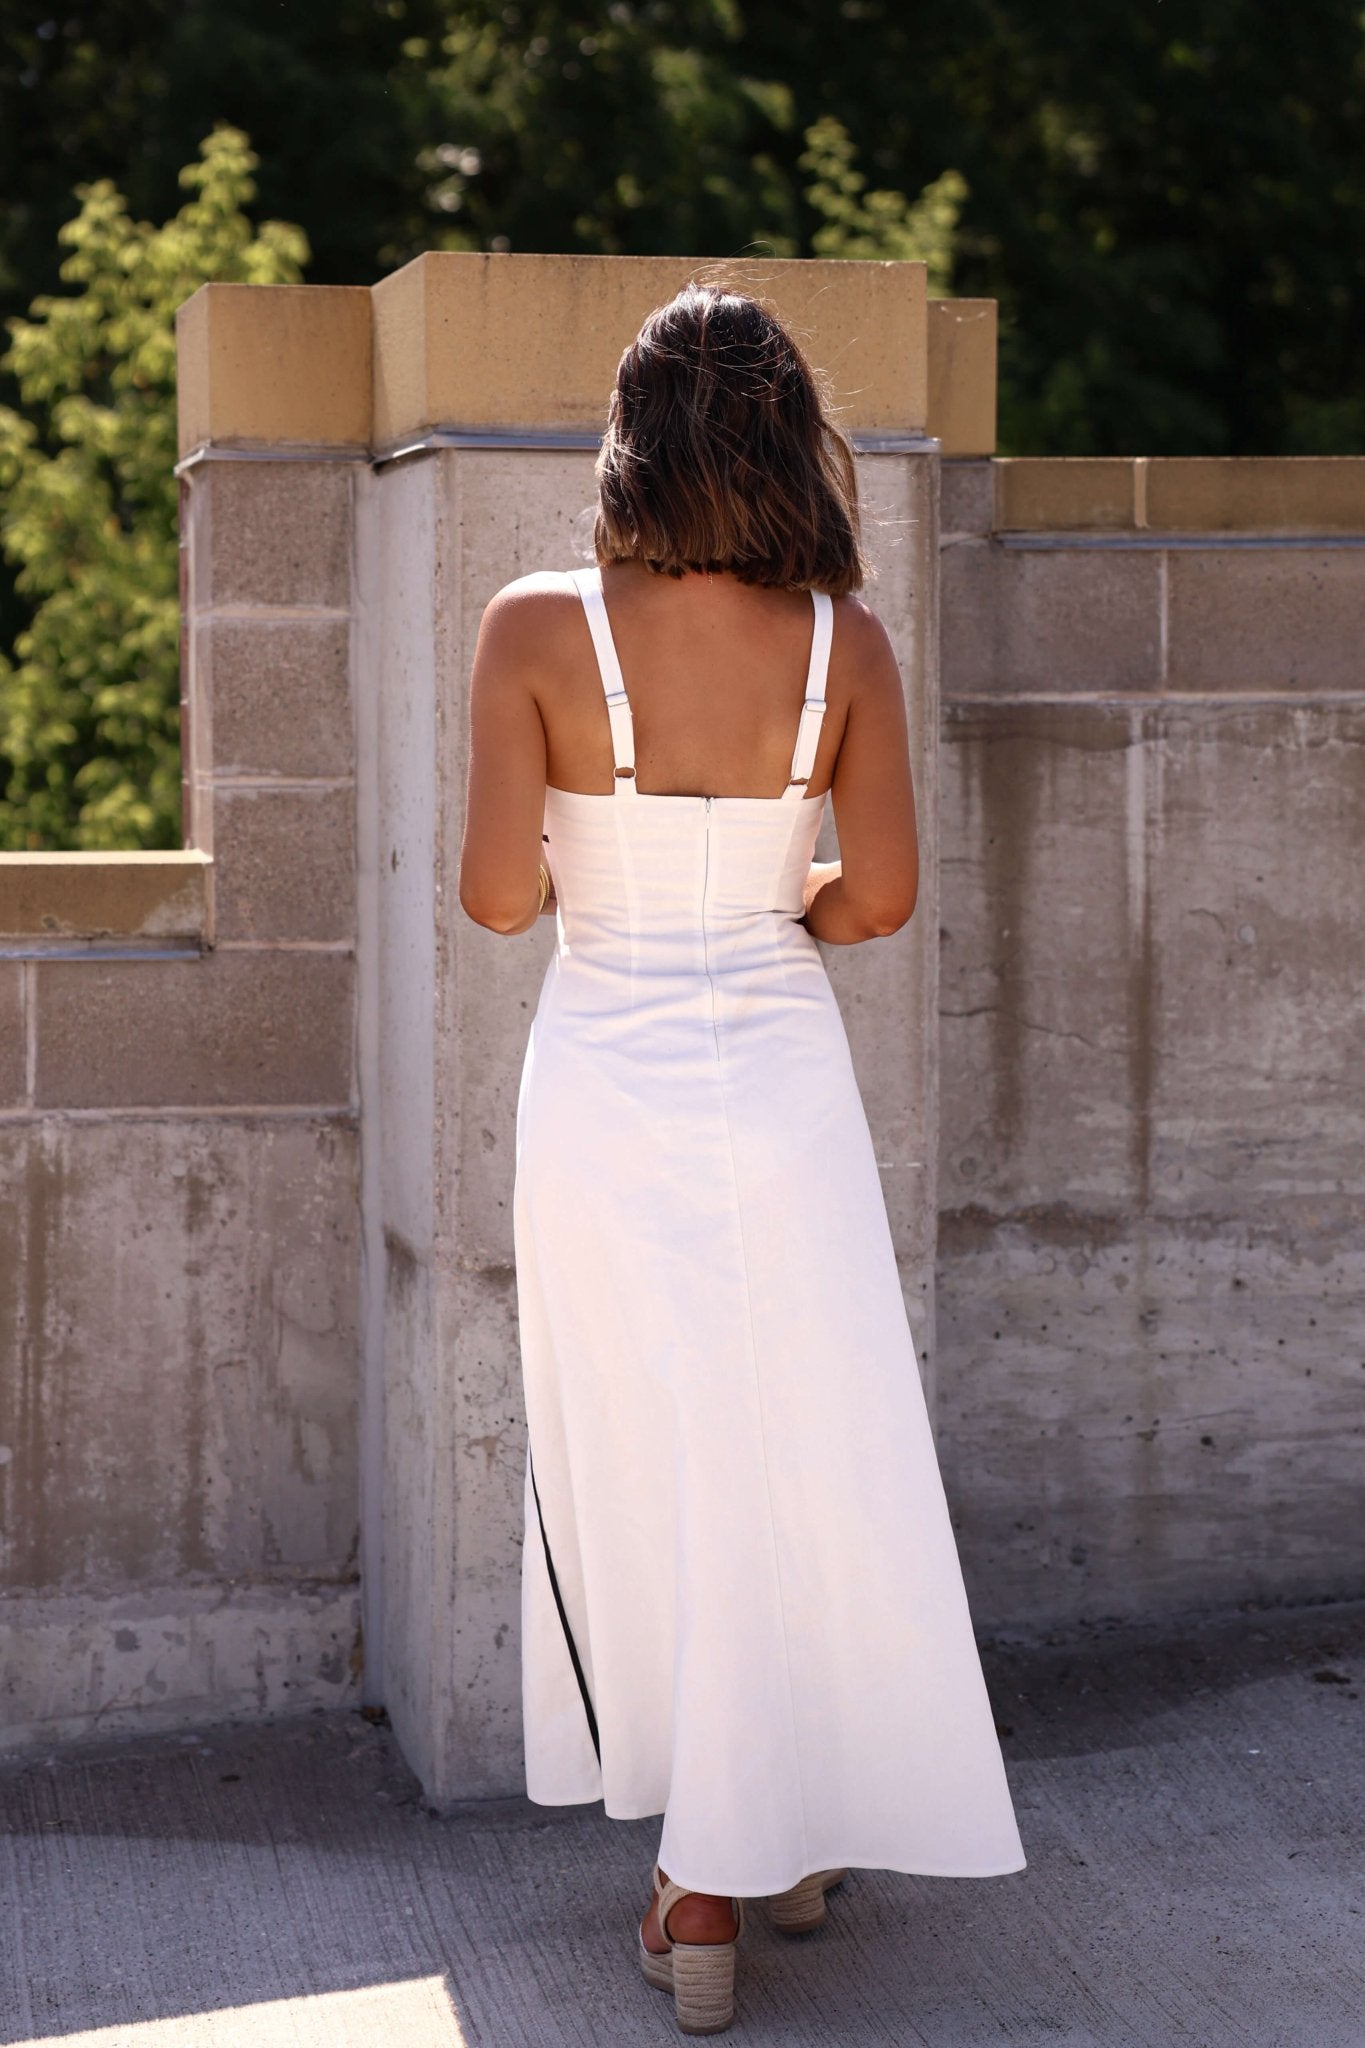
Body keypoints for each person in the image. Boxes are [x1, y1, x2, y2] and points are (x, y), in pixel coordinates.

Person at [458, 279, 1026, 2036]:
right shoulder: (845, 644)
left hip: (603, 1091)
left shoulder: (533, 628)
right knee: (797, 1455)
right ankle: (777, 1837)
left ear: (629, 440)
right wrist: (768, 894)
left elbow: (496, 900)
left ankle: (699, 1881)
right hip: (777, 1086)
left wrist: (604, 869)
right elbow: (882, 899)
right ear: (792, 446)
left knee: (651, 1466)